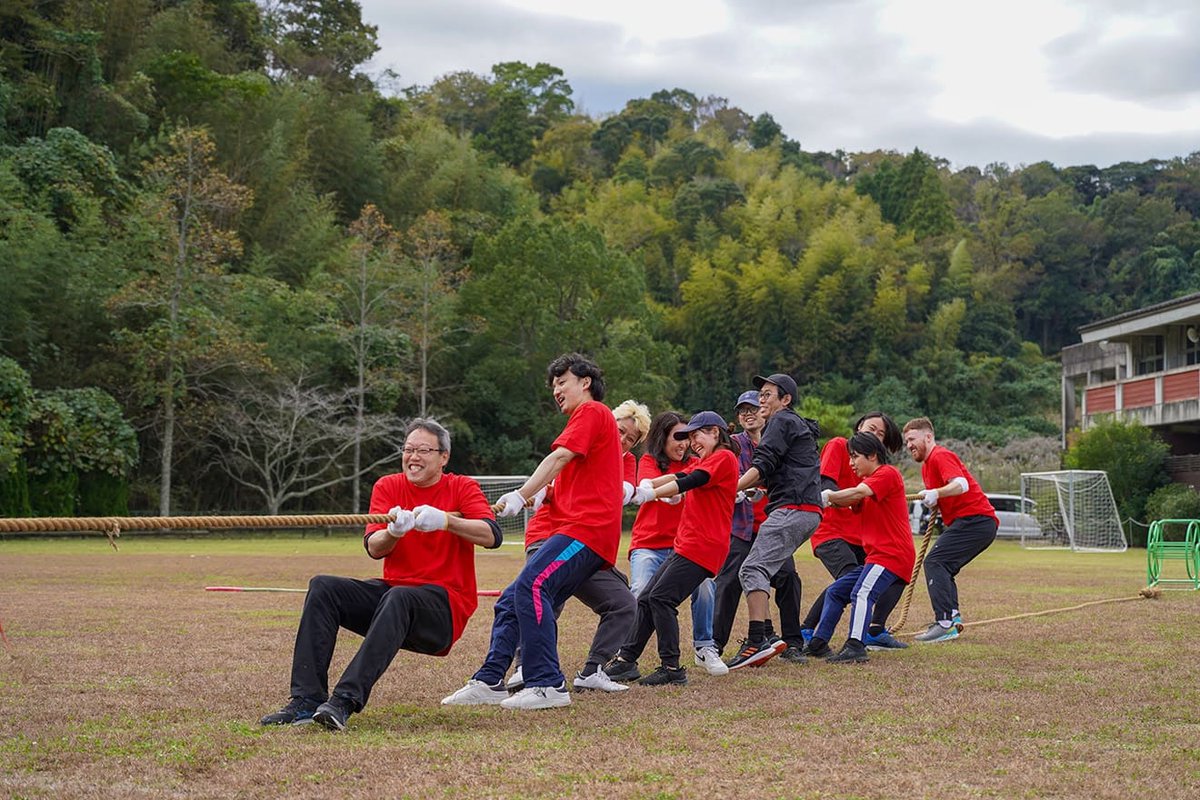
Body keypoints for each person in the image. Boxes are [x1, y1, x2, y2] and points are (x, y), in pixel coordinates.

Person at [259, 418, 502, 731]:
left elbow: (491, 535)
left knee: (399, 597)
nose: (413, 457)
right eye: (408, 449)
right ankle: (306, 700)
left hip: (443, 609)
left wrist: (445, 521)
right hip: (393, 598)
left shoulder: (462, 486)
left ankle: (344, 701)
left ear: (443, 457)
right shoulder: (388, 486)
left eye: (423, 450)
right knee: (323, 587)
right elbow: (374, 547)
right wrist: (394, 532)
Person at [442, 353, 623, 709]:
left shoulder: (592, 412)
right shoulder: (584, 423)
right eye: (553, 385)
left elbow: (557, 459)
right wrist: (536, 494)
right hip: (573, 530)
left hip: (587, 533)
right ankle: (490, 679)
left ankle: (547, 684)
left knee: (532, 585)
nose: (556, 390)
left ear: (585, 382)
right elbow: (569, 479)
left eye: (562, 381)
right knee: (510, 600)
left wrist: (521, 492)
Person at [504, 400, 647, 694]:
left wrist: (638, 490)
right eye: (619, 430)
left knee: (623, 604)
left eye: (630, 438)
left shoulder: (626, 461)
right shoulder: (582, 439)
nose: (622, 440)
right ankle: (525, 668)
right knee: (543, 593)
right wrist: (533, 492)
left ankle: (592, 670)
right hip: (550, 534)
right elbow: (554, 469)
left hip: (587, 544)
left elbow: (618, 492)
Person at [608, 411, 739, 686]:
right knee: (646, 597)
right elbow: (673, 477)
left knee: (661, 599)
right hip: (687, 544)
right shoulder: (707, 460)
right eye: (689, 438)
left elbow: (689, 481)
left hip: (702, 547)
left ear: (715, 432)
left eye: (697, 436)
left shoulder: (723, 458)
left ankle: (672, 667)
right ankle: (625, 661)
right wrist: (635, 489)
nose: (692, 443)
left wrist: (650, 494)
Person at [726, 373, 823, 670]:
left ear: (786, 399)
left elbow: (763, 462)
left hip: (792, 509)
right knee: (765, 570)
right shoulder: (796, 426)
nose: (761, 400)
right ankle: (768, 635)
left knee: (752, 569)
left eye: (767, 394)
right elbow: (785, 469)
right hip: (805, 510)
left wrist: (730, 490)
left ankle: (757, 641)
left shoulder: (781, 421)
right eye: (761, 395)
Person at [711, 390, 806, 663]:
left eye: (752, 408)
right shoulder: (733, 445)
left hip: (773, 526)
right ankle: (715, 646)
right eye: (742, 410)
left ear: (764, 411)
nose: (747, 414)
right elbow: (731, 476)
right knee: (728, 582)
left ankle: (792, 643)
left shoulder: (781, 440)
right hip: (742, 527)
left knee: (788, 578)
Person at [802, 412, 909, 651]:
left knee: (861, 592)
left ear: (873, 453)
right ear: (858, 427)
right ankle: (817, 642)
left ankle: (856, 645)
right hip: (854, 544)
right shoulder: (844, 452)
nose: (851, 463)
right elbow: (849, 498)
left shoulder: (885, 474)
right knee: (839, 590)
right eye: (870, 429)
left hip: (888, 554)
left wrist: (826, 497)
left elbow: (856, 494)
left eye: (880, 434)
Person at [902, 416, 998, 642]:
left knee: (935, 562)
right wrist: (935, 499)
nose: (909, 445)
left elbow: (961, 484)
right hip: (970, 523)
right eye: (906, 442)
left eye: (912, 439)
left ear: (928, 436)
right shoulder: (927, 466)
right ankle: (952, 619)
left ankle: (944, 623)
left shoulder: (940, 455)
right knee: (942, 565)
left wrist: (937, 493)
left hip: (976, 521)